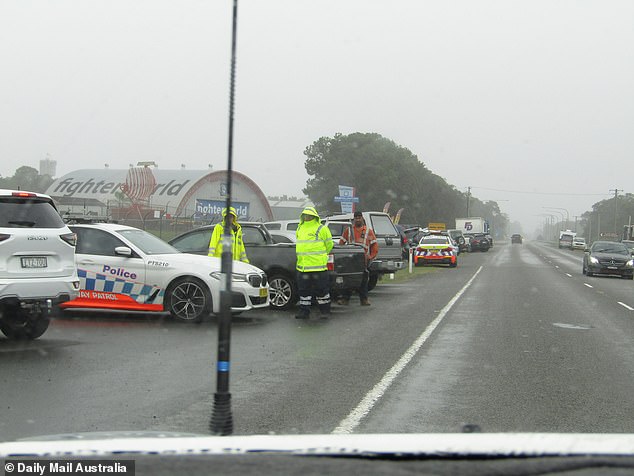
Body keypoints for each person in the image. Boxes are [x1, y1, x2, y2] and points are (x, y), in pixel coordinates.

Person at [294, 206, 334, 319]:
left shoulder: (322, 229)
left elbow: (329, 245)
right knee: (303, 292)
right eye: (305, 215)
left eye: (309, 215)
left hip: (319, 268)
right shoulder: (299, 228)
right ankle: (304, 312)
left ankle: (325, 311)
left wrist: (319, 257)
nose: (307, 217)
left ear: (314, 216)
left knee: (322, 291)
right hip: (303, 268)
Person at [337, 211, 378, 306]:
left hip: (363, 260)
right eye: (356, 217)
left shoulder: (368, 231)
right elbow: (341, 244)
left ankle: (364, 300)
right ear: (353, 219)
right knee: (348, 280)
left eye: (359, 217)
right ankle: (345, 299)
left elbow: (374, 246)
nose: (358, 219)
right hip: (350, 260)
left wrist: (371, 257)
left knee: (363, 280)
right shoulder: (349, 230)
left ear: (362, 219)